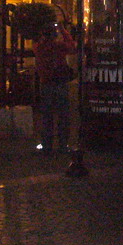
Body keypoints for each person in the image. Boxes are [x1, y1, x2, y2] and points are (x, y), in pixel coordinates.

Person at [32, 23, 76, 153]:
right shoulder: (59, 46)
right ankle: (63, 145)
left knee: (47, 117)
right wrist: (63, 31)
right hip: (60, 83)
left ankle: (47, 145)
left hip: (46, 83)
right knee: (63, 116)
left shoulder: (39, 47)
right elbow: (72, 47)